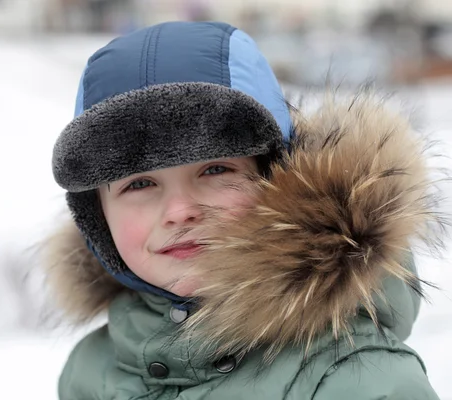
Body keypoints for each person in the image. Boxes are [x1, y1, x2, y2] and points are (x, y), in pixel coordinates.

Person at [48, 21, 442, 399]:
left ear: (280, 180)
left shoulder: (359, 381)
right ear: (96, 217)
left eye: (216, 169)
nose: (180, 210)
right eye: (139, 183)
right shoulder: (91, 371)